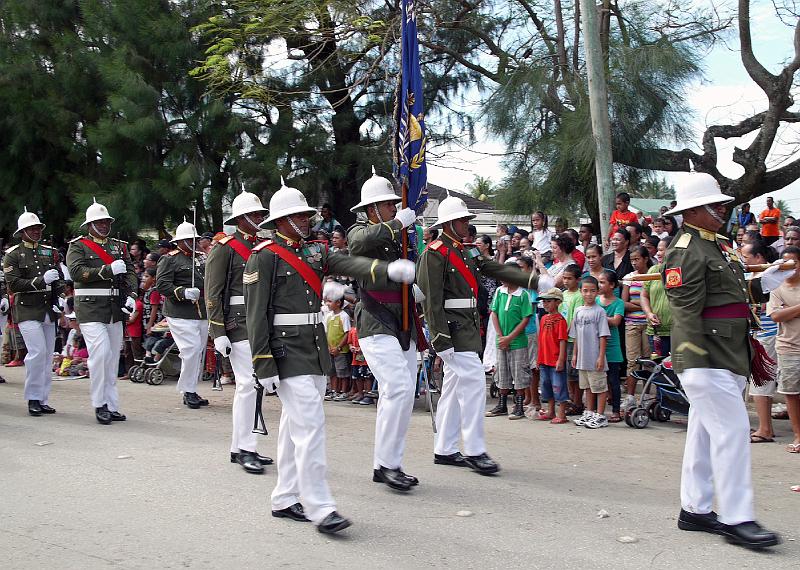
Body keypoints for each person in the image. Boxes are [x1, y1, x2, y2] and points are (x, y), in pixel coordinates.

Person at [244, 180, 415, 534]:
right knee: (310, 427)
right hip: (285, 350)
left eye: (307, 215)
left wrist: (388, 271)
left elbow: (351, 263)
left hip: (313, 345)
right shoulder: (264, 255)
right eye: (299, 216)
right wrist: (262, 363)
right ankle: (320, 507)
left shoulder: (314, 252)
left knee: (295, 427)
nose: (307, 220)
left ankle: (285, 497)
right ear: (282, 220)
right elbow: (255, 315)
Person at [663, 171, 788, 549]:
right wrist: (696, 360)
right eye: (715, 205)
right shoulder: (685, 249)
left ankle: (696, 509)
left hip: (730, 353)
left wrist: (764, 281)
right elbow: (684, 310)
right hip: (706, 356)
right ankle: (737, 517)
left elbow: (730, 295)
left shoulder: (716, 244)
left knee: (704, 435)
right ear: (694, 210)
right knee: (732, 433)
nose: (722, 209)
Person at [418, 196, 553, 475]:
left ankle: (444, 448)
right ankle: (475, 449)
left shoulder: (466, 251)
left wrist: (535, 280)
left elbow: (495, 268)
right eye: (463, 220)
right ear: (449, 223)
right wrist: (439, 338)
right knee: (474, 382)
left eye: (468, 220)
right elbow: (431, 300)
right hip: (451, 329)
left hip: (467, 326)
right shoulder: (435, 252)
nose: (468, 224)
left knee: (455, 387)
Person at [346, 168, 421, 492]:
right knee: (398, 387)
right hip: (375, 320)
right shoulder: (360, 231)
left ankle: (387, 463)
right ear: (372, 209)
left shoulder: (400, 238)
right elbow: (358, 243)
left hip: (403, 320)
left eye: (395, 205)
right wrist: (397, 224)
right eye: (389, 205)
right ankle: (388, 464)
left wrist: (417, 286)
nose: (394, 208)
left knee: (401, 394)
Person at [204, 189, 273, 474]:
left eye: (260, 214)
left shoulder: (264, 246)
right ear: (242, 218)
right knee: (249, 384)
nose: (259, 218)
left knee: (252, 384)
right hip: (238, 322)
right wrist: (218, 330)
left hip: (260, 321)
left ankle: (239, 446)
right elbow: (213, 292)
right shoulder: (225, 248)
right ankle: (247, 448)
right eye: (255, 214)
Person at [66, 199, 137, 424]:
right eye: (99, 222)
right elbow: (77, 272)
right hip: (90, 307)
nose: (104, 225)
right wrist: (107, 270)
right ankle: (99, 404)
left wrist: (133, 296)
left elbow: (131, 272)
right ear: (89, 225)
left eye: (106, 221)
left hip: (114, 308)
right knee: (101, 354)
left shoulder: (119, 245)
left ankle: (112, 404)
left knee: (112, 357)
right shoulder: (78, 245)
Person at [2, 209, 67, 416]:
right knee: (37, 352)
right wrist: (40, 281)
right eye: (31, 228)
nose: (36, 231)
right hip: (27, 309)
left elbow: (58, 277)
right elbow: (14, 284)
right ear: (22, 232)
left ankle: (42, 398)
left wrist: (61, 295)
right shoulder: (13, 254)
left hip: (48, 308)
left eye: (38, 227)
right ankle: (32, 397)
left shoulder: (49, 251)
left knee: (47, 355)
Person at [155, 219, 208, 410]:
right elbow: (162, 284)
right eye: (190, 240)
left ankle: (191, 389)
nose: (194, 243)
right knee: (191, 350)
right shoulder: (170, 259)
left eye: (195, 239)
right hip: (180, 312)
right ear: (180, 241)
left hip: (201, 311)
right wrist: (182, 292)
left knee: (198, 351)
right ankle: (188, 390)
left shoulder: (201, 257)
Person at [740, 242, 780, 444]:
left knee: (761, 382)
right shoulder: (749, 276)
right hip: (753, 334)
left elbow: (767, 308)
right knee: (756, 384)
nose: (743, 260)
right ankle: (765, 426)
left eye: (746, 257)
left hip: (767, 334)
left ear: (758, 258)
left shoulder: (770, 276)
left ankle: (765, 429)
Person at [485, 263, 533, 420]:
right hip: (501, 340)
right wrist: (500, 336)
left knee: (519, 373)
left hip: (517, 341)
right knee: (502, 371)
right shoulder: (500, 292)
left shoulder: (523, 295)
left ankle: (519, 406)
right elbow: (494, 313)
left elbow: (525, 319)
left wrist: (510, 337)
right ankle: (502, 404)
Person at [768, 246, 800, 454]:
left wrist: (789, 311)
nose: (789, 266)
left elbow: (783, 314)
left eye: (794, 262)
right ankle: (798, 435)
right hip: (788, 347)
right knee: (792, 394)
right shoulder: (777, 288)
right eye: (785, 263)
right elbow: (776, 316)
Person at [569, 276, 610, 429]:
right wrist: (574, 354)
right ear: (580, 292)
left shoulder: (600, 312)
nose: (589, 294)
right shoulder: (578, 311)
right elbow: (576, 336)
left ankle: (600, 415)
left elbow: (603, 335)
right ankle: (589, 412)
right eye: (585, 291)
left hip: (595, 357)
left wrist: (600, 356)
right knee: (587, 386)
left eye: (592, 291)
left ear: (597, 292)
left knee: (599, 386)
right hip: (582, 358)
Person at [622, 246, 652, 407]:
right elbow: (624, 303)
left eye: (637, 259)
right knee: (632, 361)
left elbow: (654, 301)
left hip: (648, 324)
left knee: (648, 361)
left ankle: (646, 396)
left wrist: (638, 303)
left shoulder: (652, 276)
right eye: (632, 260)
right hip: (632, 324)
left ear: (645, 259)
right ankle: (631, 396)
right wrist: (645, 305)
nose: (634, 263)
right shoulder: (629, 278)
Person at [536, 288, 569, 424]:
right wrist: (538, 358)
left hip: (555, 359)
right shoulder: (543, 318)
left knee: (558, 386)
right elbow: (540, 340)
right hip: (544, 358)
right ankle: (551, 411)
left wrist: (561, 359)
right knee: (546, 385)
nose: (545, 304)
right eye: (544, 302)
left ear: (557, 302)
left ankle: (562, 414)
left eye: (548, 301)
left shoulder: (560, 320)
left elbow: (562, 340)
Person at [597, 270, 625, 423]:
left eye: (603, 282)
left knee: (613, 380)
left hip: (612, 345)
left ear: (612, 285)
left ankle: (616, 410)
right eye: (599, 282)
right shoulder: (595, 300)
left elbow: (616, 322)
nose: (600, 285)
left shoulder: (618, 302)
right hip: (596, 345)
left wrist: (599, 316)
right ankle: (595, 409)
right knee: (598, 380)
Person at [641, 237, 673, 359]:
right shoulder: (653, 270)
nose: (658, 254)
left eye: (661, 250)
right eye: (658, 250)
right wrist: (649, 313)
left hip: (676, 331)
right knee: (659, 368)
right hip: (656, 330)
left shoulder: (680, 272)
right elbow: (644, 295)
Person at [559, 264, 584, 412]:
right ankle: (571, 400)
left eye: (569, 278)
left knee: (574, 373)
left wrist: (568, 332)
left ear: (578, 279)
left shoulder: (579, 296)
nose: (566, 281)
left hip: (573, 339)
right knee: (568, 373)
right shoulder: (564, 294)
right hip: (563, 338)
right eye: (564, 278)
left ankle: (577, 402)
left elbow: (575, 317)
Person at [325, 296, 352, 401]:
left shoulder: (344, 316)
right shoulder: (328, 316)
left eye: (330, 301)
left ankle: (344, 392)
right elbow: (326, 332)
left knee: (342, 372)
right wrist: (328, 346)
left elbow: (347, 333)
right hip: (330, 350)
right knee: (332, 372)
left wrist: (339, 347)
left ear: (338, 303)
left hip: (341, 351)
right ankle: (334, 391)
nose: (327, 304)